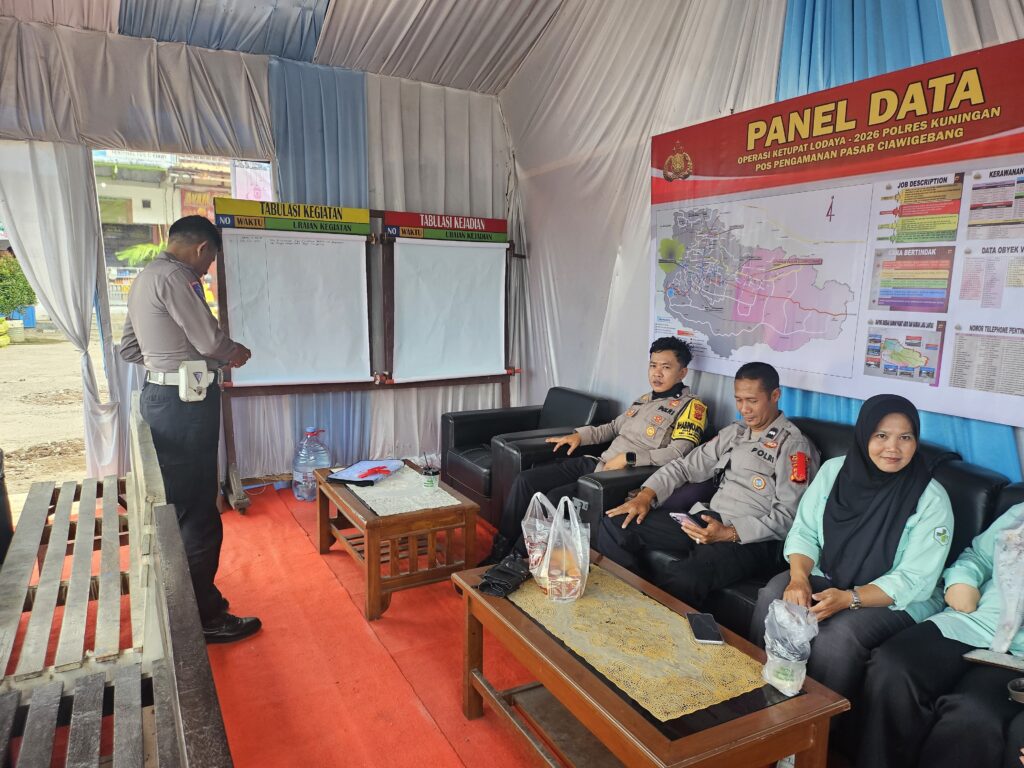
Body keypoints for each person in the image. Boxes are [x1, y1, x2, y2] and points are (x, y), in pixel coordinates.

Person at [749, 394, 952, 722]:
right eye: (881, 435)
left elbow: (915, 579)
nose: (893, 448)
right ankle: (755, 698)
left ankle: (818, 729)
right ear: (864, 435)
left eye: (905, 437)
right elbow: (804, 531)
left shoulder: (931, 499)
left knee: (839, 636)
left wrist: (851, 598)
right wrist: (799, 578)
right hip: (832, 574)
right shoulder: (834, 472)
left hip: (897, 598)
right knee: (776, 594)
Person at [120, 215, 260, 643]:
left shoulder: (145, 278)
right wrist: (236, 353)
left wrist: (168, 365)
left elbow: (129, 348)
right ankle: (204, 617)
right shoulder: (179, 278)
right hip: (187, 405)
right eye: (211, 259)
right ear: (202, 249)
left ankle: (194, 598)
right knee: (199, 511)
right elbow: (211, 342)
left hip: (159, 399)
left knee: (181, 504)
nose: (208, 267)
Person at [597, 362, 819, 608]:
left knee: (686, 576)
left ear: (775, 395)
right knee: (616, 524)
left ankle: (646, 621)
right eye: (738, 400)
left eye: (752, 401)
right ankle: (623, 603)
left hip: (749, 539)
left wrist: (729, 533)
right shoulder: (735, 432)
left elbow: (789, 517)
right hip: (706, 520)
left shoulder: (794, 446)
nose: (744, 409)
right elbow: (684, 467)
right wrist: (646, 495)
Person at [482, 336, 708, 564]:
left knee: (553, 498)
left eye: (666, 367)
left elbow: (678, 453)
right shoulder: (645, 399)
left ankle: (515, 560)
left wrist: (630, 458)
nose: (657, 373)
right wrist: (579, 435)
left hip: (619, 477)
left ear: (682, 372)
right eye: (653, 365)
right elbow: (612, 427)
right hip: (597, 462)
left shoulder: (691, 408)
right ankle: (500, 547)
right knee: (526, 480)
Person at [857, 502, 1024, 768]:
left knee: (974, 714)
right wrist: (962, 581)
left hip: (1018, 655)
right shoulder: (1020, 513)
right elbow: (979, 556)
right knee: (893, 665)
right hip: (973, 620)